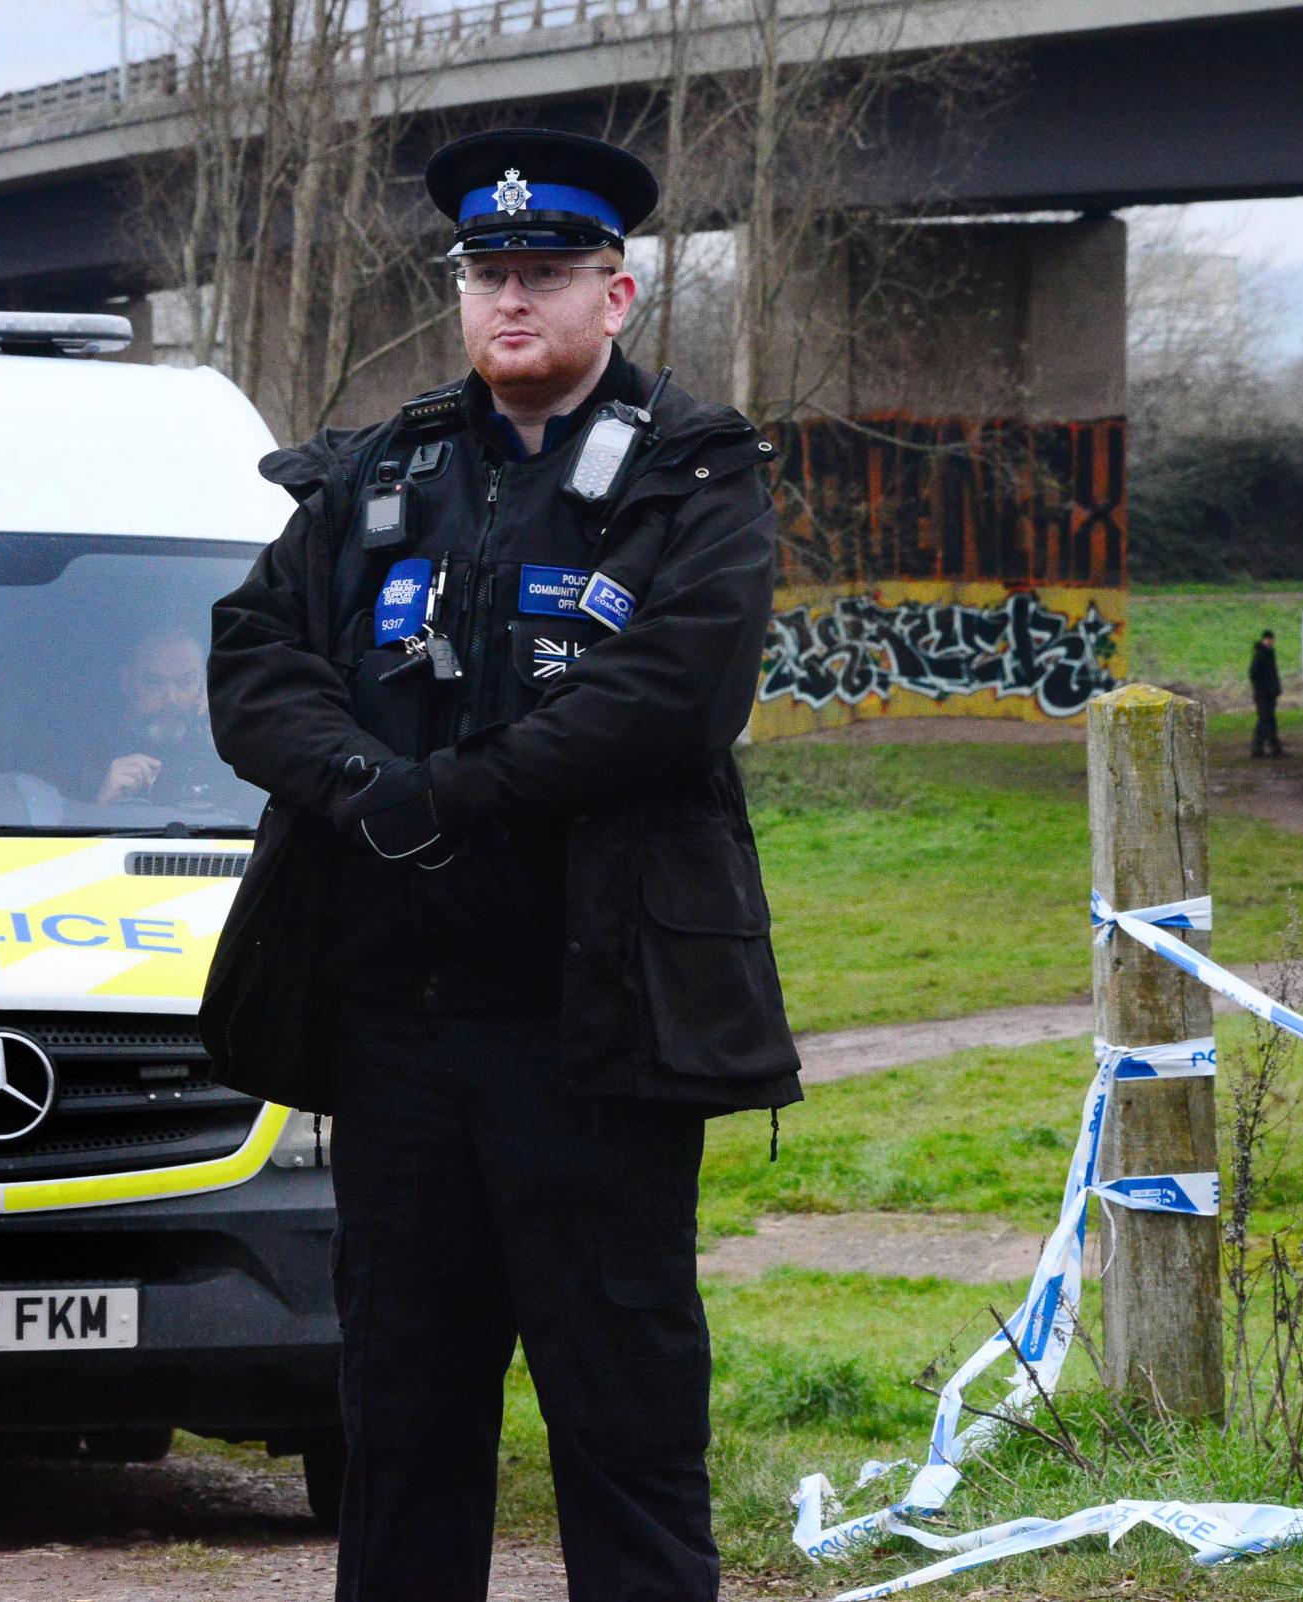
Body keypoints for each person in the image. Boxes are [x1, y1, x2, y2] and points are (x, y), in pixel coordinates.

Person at [201, 127, 800, 1602]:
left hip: (597, 1038)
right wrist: (364, 790)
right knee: (402, 1430)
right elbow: (253, 659)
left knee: (627, 1429)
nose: (509, 300)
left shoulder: (695, 474)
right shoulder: (378, 471)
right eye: (487, 274)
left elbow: (673, 690)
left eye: (544, 273)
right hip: (401, 1040)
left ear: (620, 293)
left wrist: (454, 794)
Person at [95, 629, 223, 804]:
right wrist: (104, 803)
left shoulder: (222, 751)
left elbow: (259, 820)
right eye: (154, 683)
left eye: (185, 682)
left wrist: (227, 753)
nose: (171, 699)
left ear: (203, 682)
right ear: (127, 682)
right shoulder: (88, 754)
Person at [1248, 629, 1286, 757]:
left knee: (1267, 720)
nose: (1271, 642)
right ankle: (1268, 748)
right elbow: (1254, 673)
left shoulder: (1266, 653)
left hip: (1267, 694)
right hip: (1265, 695)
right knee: (1266, 720)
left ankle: (1264, 748)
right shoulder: (1262, 654)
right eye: (1270, 639)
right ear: (1266, 639)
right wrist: (1266, 689)